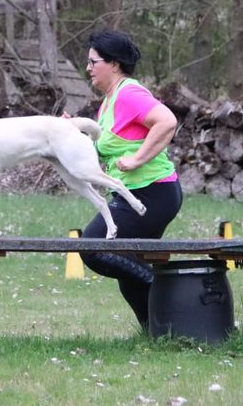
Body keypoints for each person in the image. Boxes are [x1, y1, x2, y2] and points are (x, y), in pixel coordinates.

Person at [76, 29, 182, 331]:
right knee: (126, 267)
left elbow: (167, 121)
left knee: (94, 246)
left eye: (93, 62)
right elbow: (103, 148)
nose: (88, 68)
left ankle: (167, 292)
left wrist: (138, 159)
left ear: (114, 64)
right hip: (133, 195)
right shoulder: (109, 101)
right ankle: (158, 333)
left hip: (153, 194)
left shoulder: (129, 94)